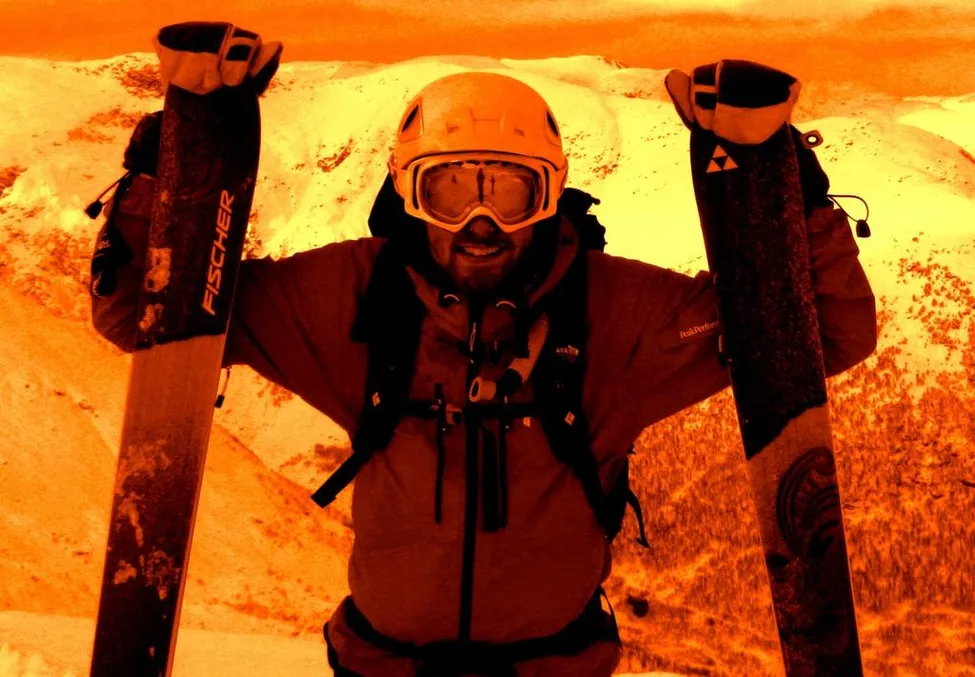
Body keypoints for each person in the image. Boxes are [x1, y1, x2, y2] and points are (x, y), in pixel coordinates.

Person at [90, 68, 877, 676]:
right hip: (380, 668)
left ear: (549, 195)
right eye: (448, 190)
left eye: (509, 191)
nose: (479, 223)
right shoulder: (352, 300)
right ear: (408, 192)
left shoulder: (612, 315)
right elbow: (149, 319)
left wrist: (785, 199)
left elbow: (818, 337)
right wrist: (168, 187)